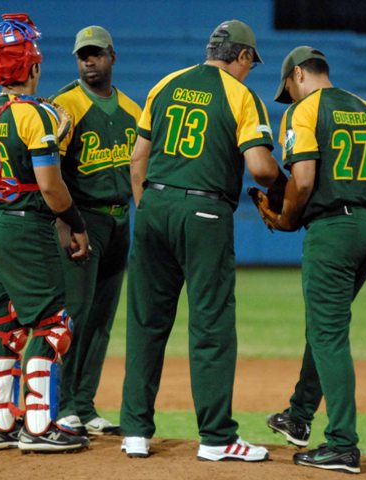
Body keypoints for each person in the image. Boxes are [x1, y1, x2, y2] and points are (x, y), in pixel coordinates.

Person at [120, 19, 285, 461]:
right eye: (252, 62)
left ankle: (135, 431)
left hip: (154, 204)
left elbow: (139, 158)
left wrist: (150, 207)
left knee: (145, 322)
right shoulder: (240, 96)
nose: (251, 70)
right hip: (205, 211)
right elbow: (261, 168)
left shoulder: (166, 84)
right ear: (243, 55)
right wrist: (284, 183)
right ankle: (215, 437)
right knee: (210, 325)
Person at [265, 46, 366, 474]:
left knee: (329, 336)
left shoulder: (304, 111)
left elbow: (303, 178)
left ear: (300, 75)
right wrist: (355, 180)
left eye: (288, 88)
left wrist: (287, 217)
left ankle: (343, 443)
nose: (289, 97)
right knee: (326, 327)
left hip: (334, 231)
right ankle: (299, 414)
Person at [0, 13, 91, 453]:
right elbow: (52, 188)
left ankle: (2, 425)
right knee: (54, 325)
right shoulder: (37, 116)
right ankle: (38, 426)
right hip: (23, 227)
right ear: (33, 66)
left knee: (5, 328)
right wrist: (76, 224)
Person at [50, 25, 141, 437]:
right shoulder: (64, 106)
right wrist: (66, 223)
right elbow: (50, 172)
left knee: (103, 318)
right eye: (82, 55)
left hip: (120, 220)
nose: (88, 61)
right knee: (77, 315)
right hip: (82, 220)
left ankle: (84, 405)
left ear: (112, 57)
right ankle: (64, 404)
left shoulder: (133, 111)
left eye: (96, 54)